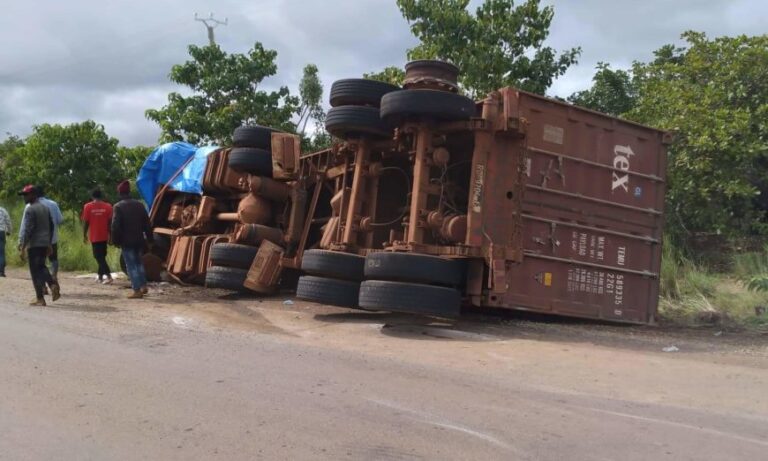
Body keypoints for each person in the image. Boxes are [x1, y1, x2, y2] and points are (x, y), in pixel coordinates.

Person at [17, 184, 60, 306]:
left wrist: (23, 246)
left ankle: (41, 296)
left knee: (35, 271)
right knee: (41, 267)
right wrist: (49, 243)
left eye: (26, 195)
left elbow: (29, 229)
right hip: (44, 243)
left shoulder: (30, 209)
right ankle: (50, 286)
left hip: (34, 244)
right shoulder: (45, 208)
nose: (24, 197)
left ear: (33, 195)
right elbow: (52, 226)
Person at [111, 180, 152, 298]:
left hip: (126, 241)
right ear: (129, 192)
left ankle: (136, 290)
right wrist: (150, 239)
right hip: (139, 240)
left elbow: (115, 226)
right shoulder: (139, 205)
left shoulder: (118, 206)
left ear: (120, 193)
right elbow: (147, 224)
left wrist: (115, 241)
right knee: (139, 263)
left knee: (131, 265)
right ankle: (144, 286)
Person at [81, 188, 114, 284]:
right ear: (101, 196)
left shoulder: (87, 207)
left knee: (98, 257)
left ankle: (109, 276)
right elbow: (110, 223)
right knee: (102, 256)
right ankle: (100, 276)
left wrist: (84, 235)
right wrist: (111, 236)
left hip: (94, 236)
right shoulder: (108, 206)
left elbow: (86, 222)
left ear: (92, 196)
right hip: (104, 236)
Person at [35, 186, 64, 282]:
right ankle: (53, 274)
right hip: (52, 238)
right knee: (53, 259)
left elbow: (26, 225)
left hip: (37, 240)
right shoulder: (53, 204)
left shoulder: (30, 205)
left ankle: (43, 285)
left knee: (40, 262)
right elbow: (60, 220)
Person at [0, 204, 11, 277]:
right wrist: (9, 231)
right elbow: (8, 221)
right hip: (1, 232)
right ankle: (1, 272)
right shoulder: (3, 210)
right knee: (1, 252)